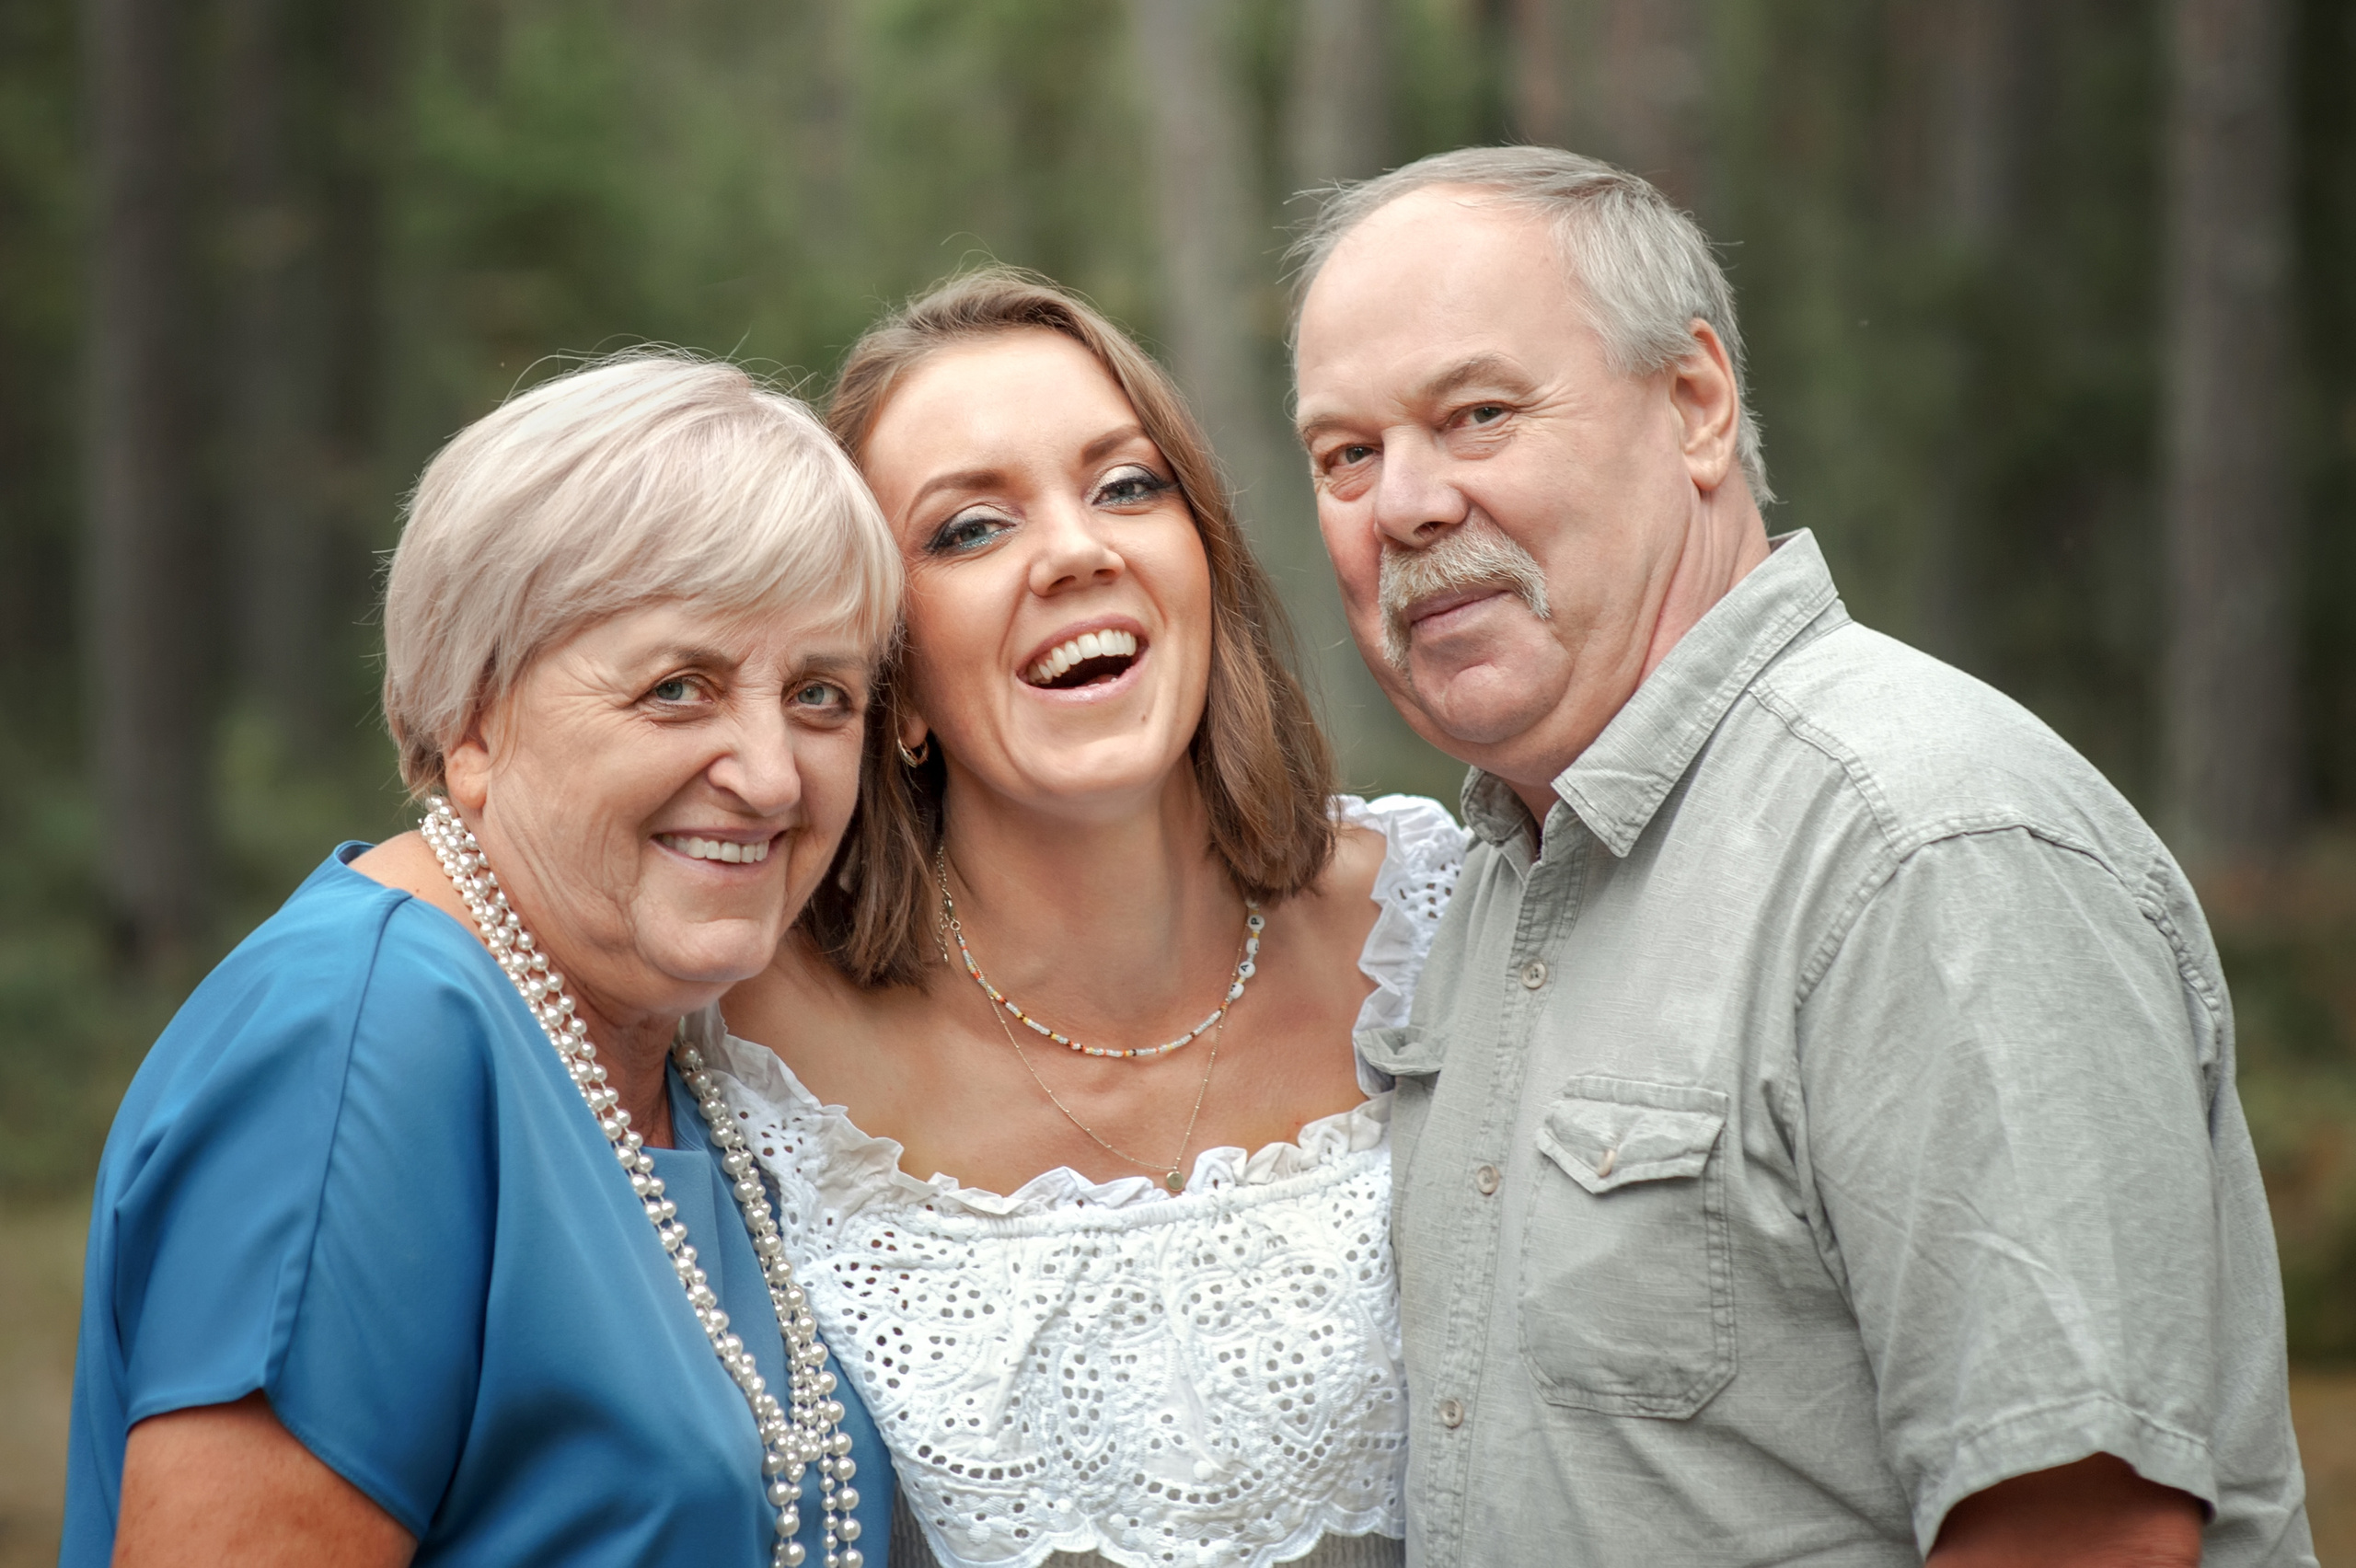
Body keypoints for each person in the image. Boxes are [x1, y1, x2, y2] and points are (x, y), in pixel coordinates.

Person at [1288, 146, 2320, 1567]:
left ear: (1697, 406)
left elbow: (2083, 1538)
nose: (1404, 503)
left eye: (1477, 415)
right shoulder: (1491, 885)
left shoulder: (1927, 852)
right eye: (1345, 454)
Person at [63, 352, 903, 1567]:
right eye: (680, 688)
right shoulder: (360, 1041)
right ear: (474, 718)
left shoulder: (692, 1061)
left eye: (822, 697)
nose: (772, 775)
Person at [707, 270, 1468, 1568]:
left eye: (1127, 486)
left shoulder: (1441, 919)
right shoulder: (744, 1041)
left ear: (1206, 572)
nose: (1075, 550)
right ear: (890, 684)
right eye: (968, 530)